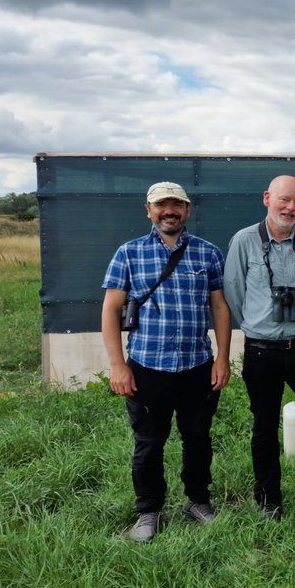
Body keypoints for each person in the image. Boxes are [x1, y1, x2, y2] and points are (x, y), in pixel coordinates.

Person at [101, 182, 231, 542]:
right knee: (149, 442)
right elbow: (110, 310)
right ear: (149, 210)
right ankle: (148, 511)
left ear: (187, 210)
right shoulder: (129, 253)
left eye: (176, 204)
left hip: (197, 365)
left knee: (198, 438)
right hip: (147, 367)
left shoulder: (208, 253)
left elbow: (219, 307)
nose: (169, 211)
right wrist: (118, 365)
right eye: (161, 205)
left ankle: (197, 501)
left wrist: (222, 358)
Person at [224, 175, 295, 518]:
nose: (290, 207)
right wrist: (259, 324)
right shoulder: (244, 240)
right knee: (264, 427)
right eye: (284, 200)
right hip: (262, 350)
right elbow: (234, 291)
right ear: (267, 198)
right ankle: (269, 499)